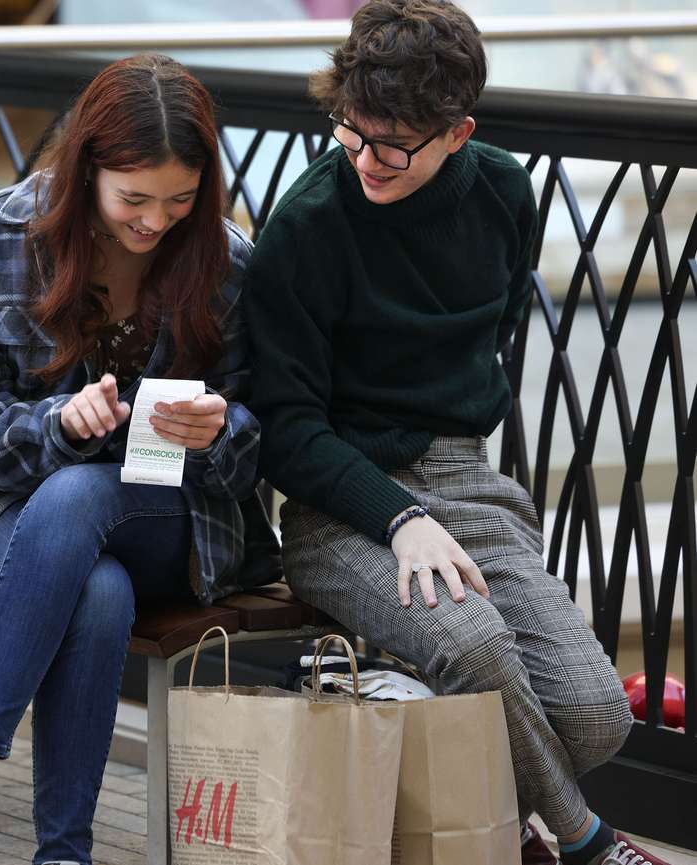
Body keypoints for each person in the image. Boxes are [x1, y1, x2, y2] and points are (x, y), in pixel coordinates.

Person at [244, 2, 665, 865]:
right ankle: (588, 844)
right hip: (340, 503)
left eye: (393, 144)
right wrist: (397, 516)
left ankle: (490, 810)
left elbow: (494, 330)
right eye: (351, 133)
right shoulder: (308, 224)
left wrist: (444, 496)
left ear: (457, 132)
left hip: (465, 480)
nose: (366, 160)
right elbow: (285, 429)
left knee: (595, 712)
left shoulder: (506, 192)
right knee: (473, 647)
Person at [0, 53, 279, 865]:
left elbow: (260, 433)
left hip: (173, 514)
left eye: (179, 199)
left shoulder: (227, 261)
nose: (155, 222)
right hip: (3, 509)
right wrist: (57, 424)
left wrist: (221, 427)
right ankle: (64, 853)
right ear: (85, 165)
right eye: (134, 199)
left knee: (79, 502)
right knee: (95, 585)